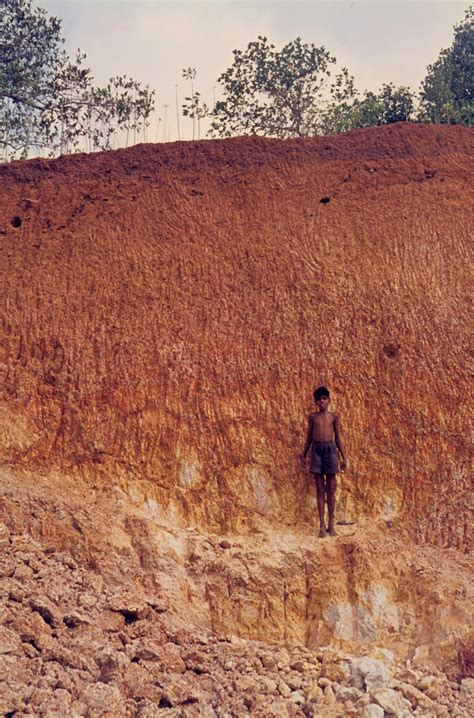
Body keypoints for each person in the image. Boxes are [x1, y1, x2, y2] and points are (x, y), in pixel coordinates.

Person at [300, 386, 347, 538]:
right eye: (319, 399)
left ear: (328, 400)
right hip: (317, 450)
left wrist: (344, 456)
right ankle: (321, 525)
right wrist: (304, 453)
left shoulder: (334, 417)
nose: (321, 402)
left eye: (324, 399)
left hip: (330, 450)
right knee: (320, 488)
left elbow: (338, 437)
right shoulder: (312, 417)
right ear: (316, 402)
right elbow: (309, 436)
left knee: (331, 488)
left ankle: (331, 525)